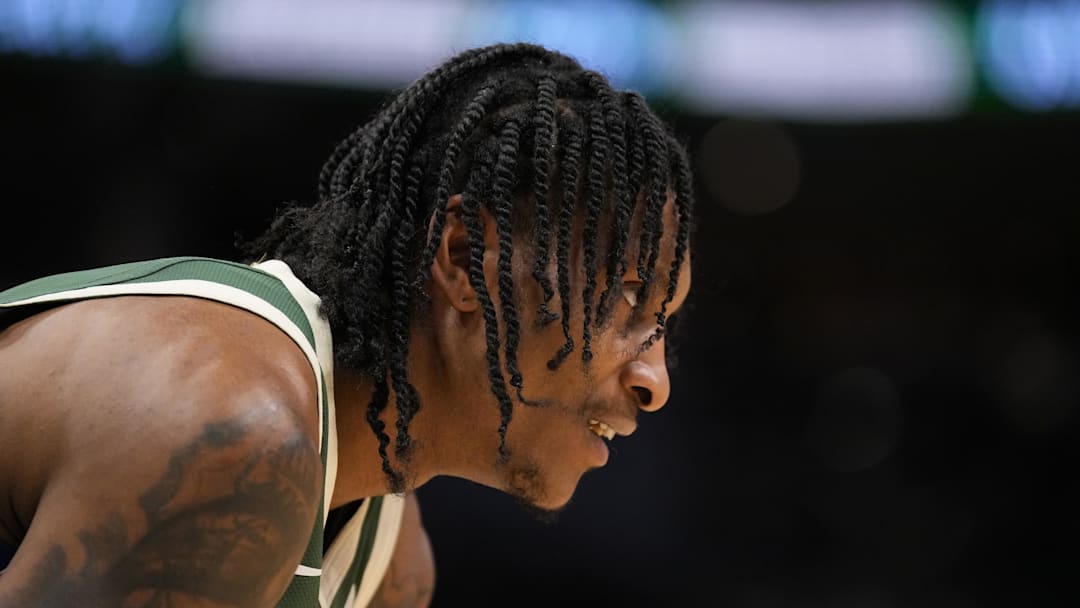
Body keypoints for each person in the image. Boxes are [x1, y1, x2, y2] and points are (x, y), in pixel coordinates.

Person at [0, 42, 693, 607]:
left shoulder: (391, 560)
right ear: (463, 261)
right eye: (628, 298)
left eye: (663, 323)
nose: (654, 380)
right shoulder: (232, 434)